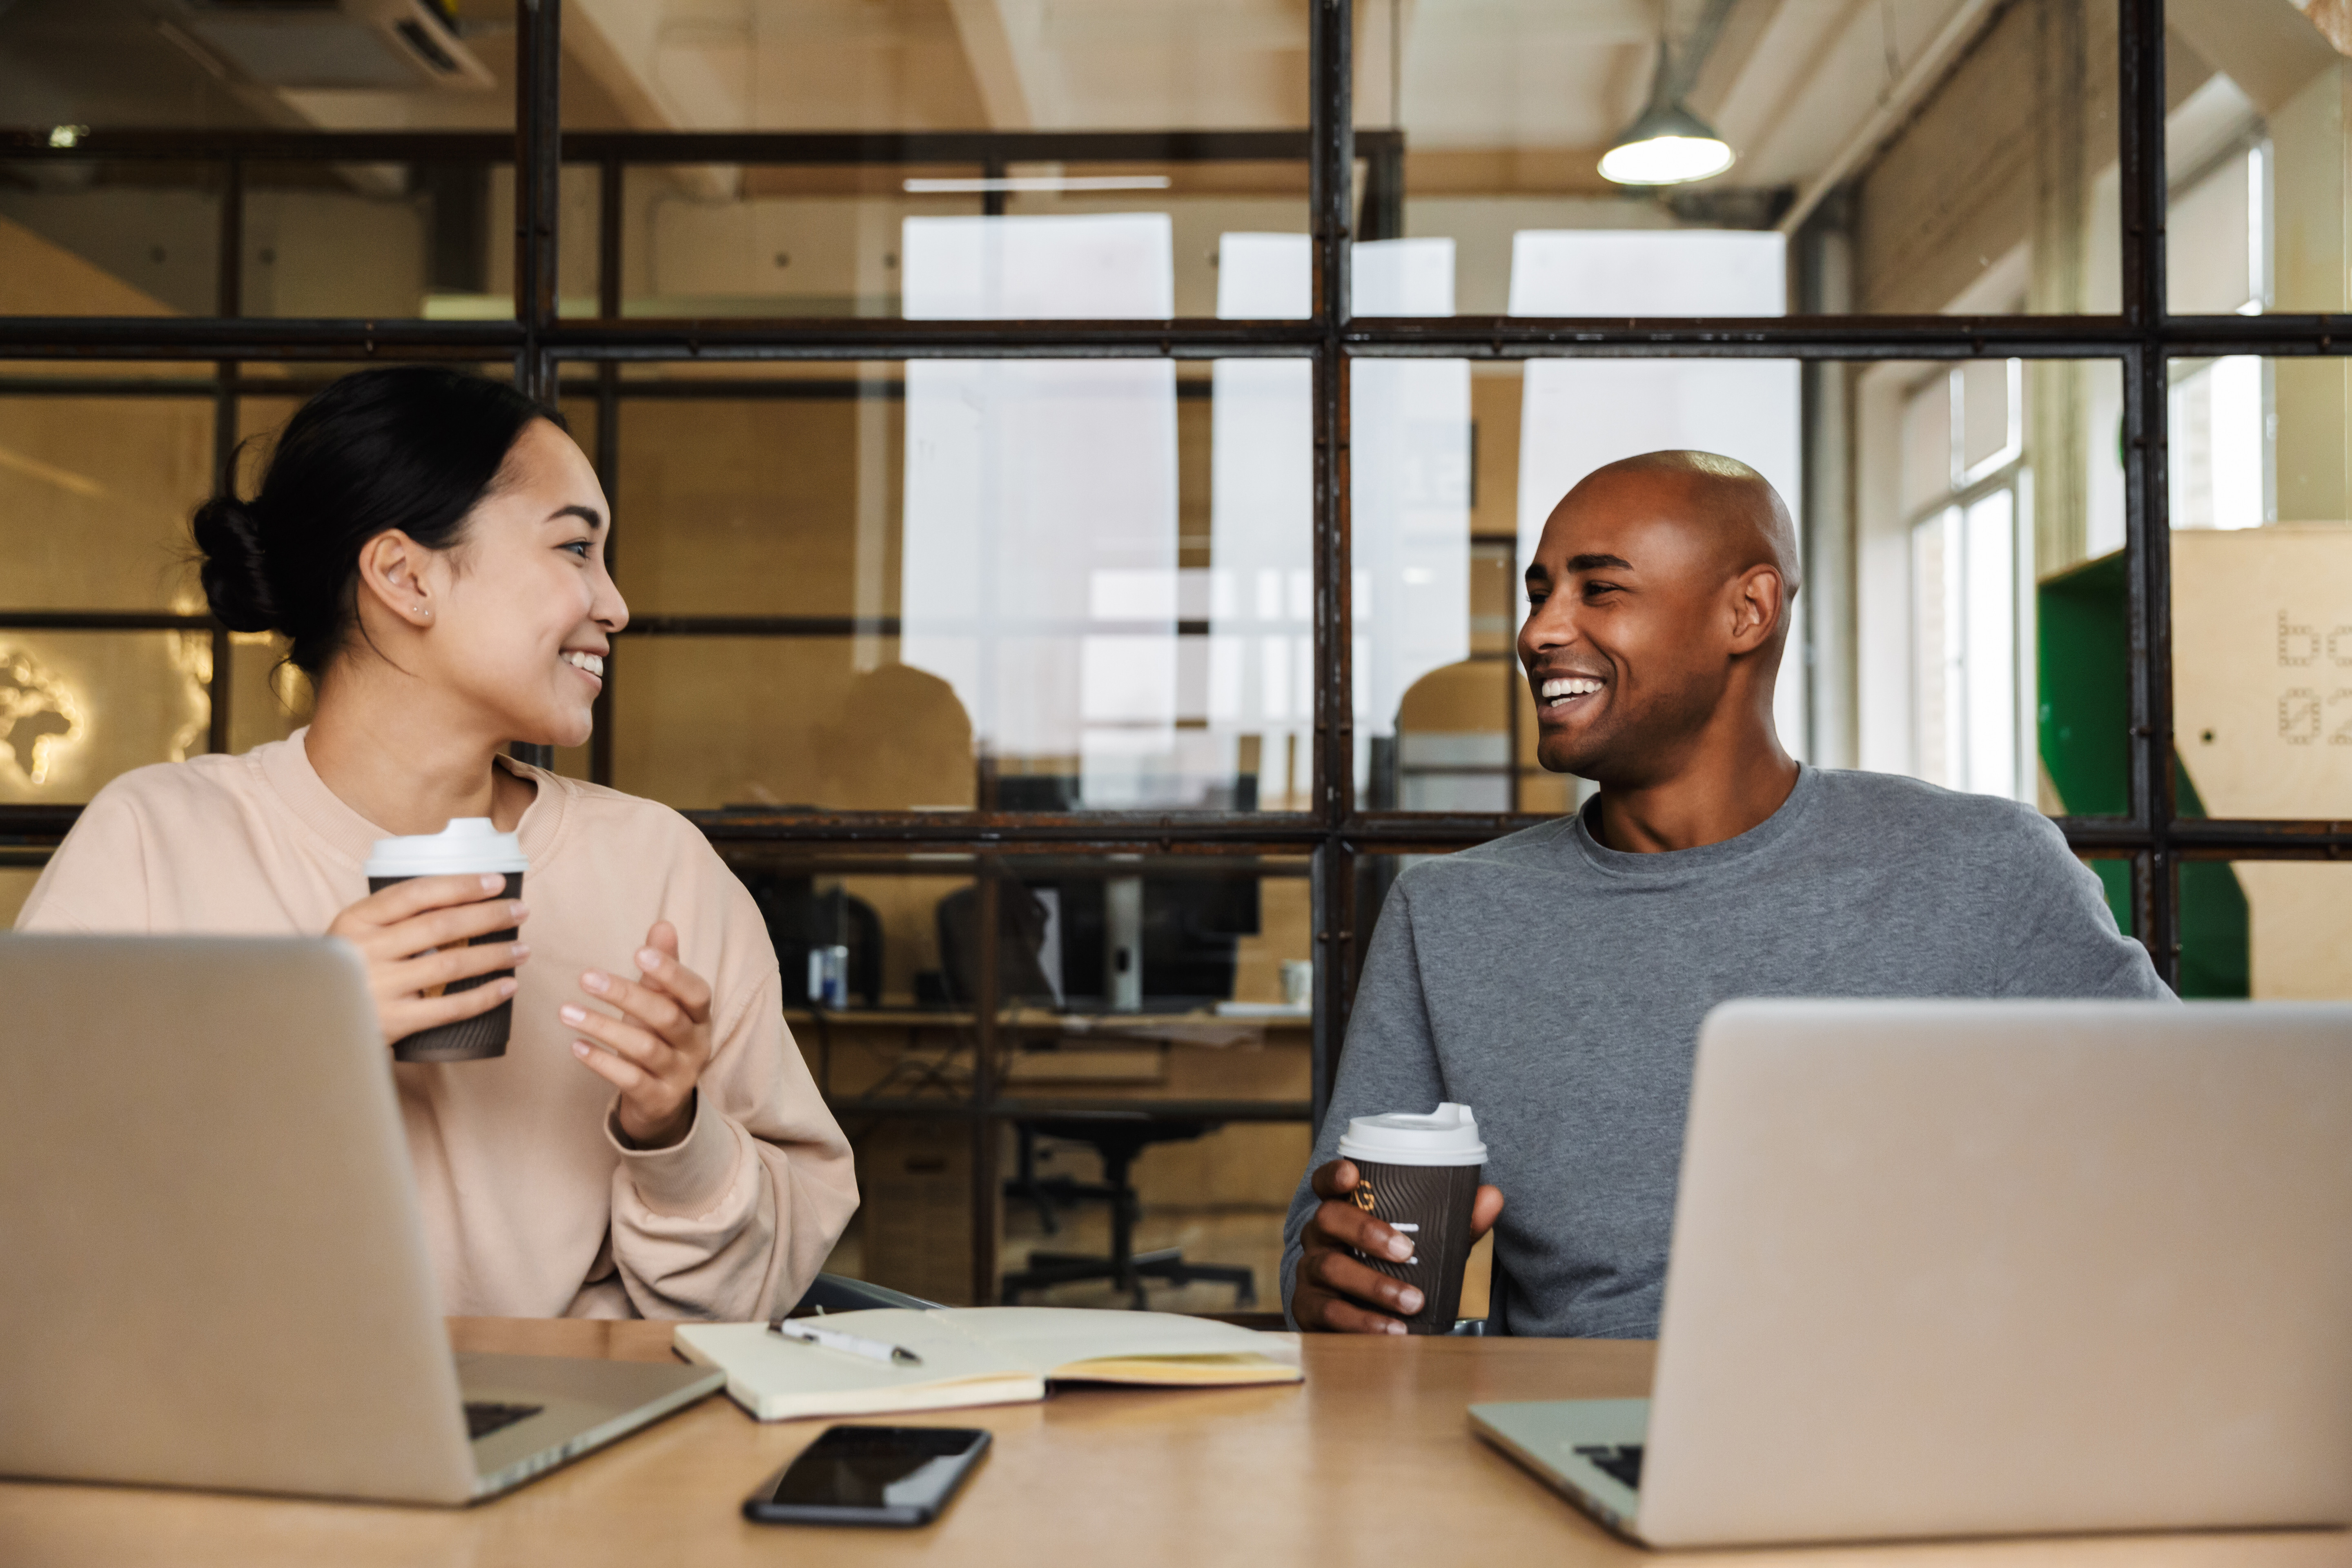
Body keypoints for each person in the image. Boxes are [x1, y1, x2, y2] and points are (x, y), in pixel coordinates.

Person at [14, 366, 857, 1321]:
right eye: (576, 548)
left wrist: (673, 1130)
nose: (615, 605)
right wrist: (299, 1034)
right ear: (405, 577)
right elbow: (39, 1218)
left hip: (594, 1439)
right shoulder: (155, 843)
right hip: (244, 1437)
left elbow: (774, 1276)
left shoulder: (657, 867)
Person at [1285, 450, 2168, 1338]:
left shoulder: (1983, 869)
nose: (1539, 633)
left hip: (1909, 1436)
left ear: (1747, 612)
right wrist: (1333, 1282)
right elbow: (1325, 1256)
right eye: (1539, 592)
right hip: (1559, 1434)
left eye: (1599, 591)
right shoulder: (1450, 914)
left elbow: (2194, 1158)